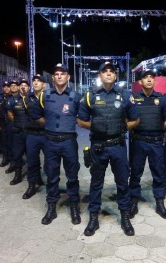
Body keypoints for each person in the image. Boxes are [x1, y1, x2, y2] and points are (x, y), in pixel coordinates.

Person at [77, 61, 140, 236]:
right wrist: (95, 127)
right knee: (96, 183)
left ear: (115, 75)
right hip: (98, 147)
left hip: (118, 146)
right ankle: (93, 218)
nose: (109, 73)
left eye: (112, 71)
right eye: (105, 71)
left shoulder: (125, 95)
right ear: (100, 75)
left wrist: (121, 129)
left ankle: (125, 216)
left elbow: (135, 120)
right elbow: (80, 120)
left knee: (122, 183)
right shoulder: (90, 96)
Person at [32, 65, 82, 225]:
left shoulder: (76, 96)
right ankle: (51, 207)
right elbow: (37, 115)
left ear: (68, 77)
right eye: (56, 74)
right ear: (53, 78)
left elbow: (82, 117)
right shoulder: (44, 96)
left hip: (69, 142)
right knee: (52, 176)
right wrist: (51, 126)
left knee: (72, 176)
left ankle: (74, 206)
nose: (59, 76)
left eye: (63, 74)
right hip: (50, 142)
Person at [128, 69, 166, 220]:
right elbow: (126, 119)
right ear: (140, 82)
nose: (149, 80)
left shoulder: (162, 99)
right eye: (145, 77)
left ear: (154, 81)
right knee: (135, 173)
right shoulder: (133, 99)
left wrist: (158, 128)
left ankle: (160, 203)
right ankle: (133, 201)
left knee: (159, 174)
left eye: (151, 78)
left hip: (156, 142)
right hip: (138, 141)